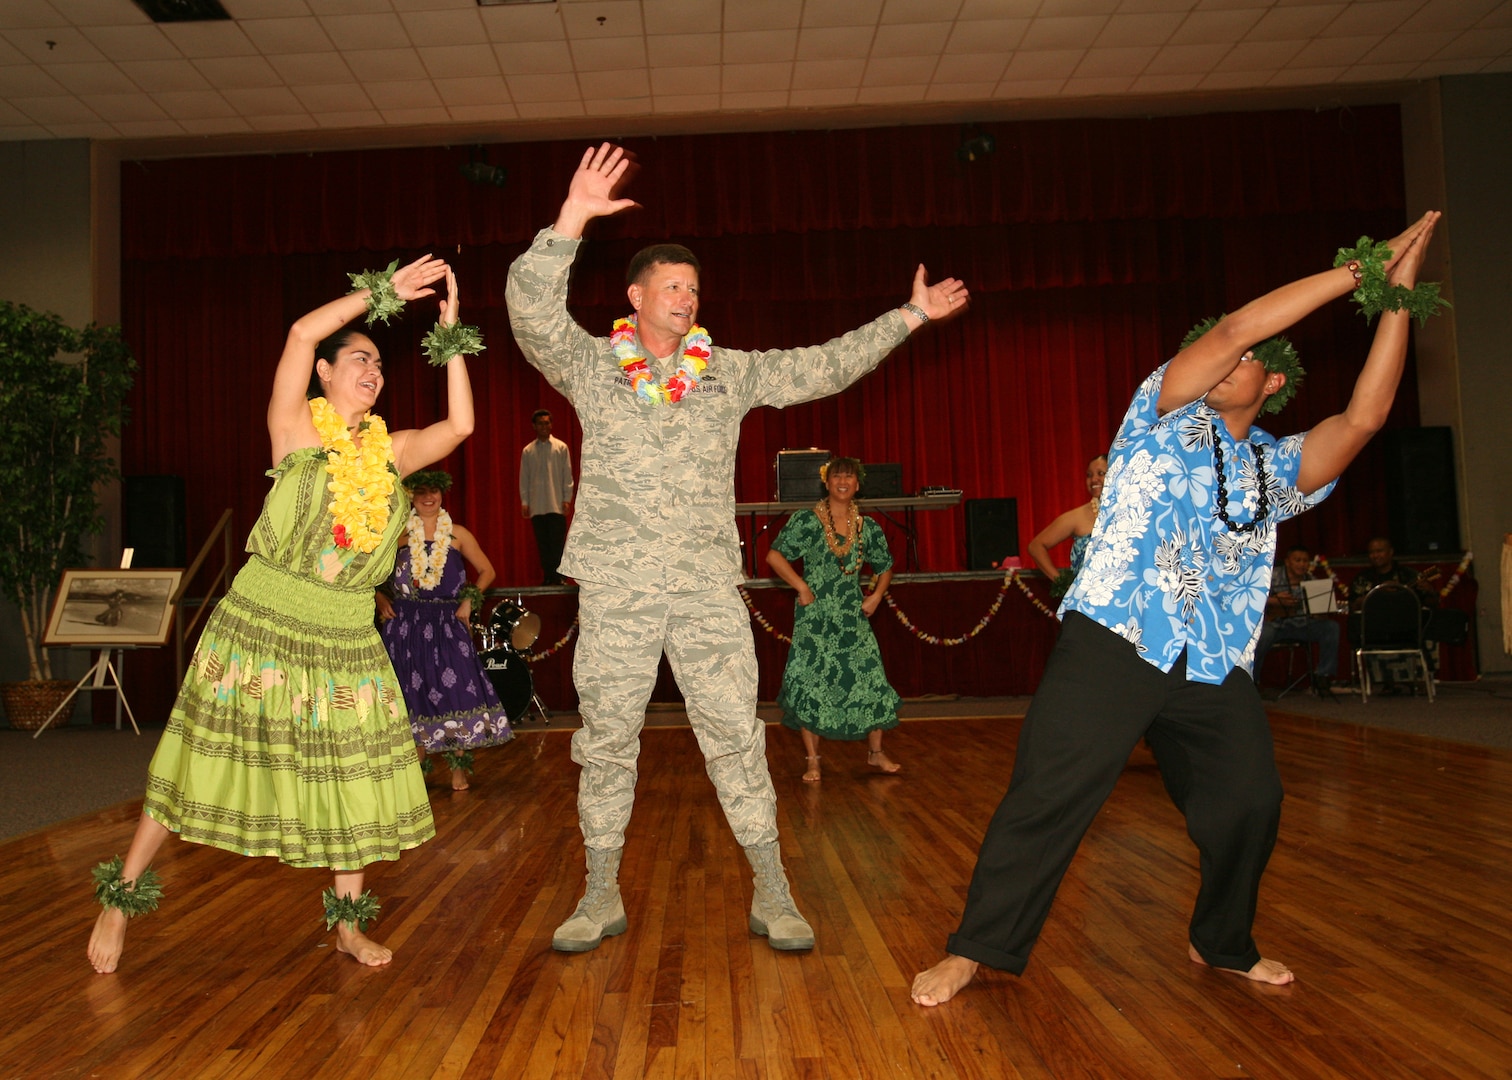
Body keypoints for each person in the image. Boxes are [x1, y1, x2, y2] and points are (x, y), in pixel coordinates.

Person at [911, 210, 1442, 1006]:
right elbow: (1234, 326)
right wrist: (1360, 270)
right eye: (1229, 354)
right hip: (1115, 638)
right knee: (1048, 796)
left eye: (1254, 362)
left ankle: (1222, 941)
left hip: (1211, 659)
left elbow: (1365, 418)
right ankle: (976, 948)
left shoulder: (1277, 468)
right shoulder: (1157, 417)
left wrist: (1399, 294)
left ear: (1274, 386)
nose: (1235, 358)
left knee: (1252, 802)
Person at [506, 143, 968, 954]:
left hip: (705, 590)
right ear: (636, 296)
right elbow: (530, 316)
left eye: (695, 287)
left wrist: (910, 316)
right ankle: (600, 891)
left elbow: (824, 367)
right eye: (673, 286)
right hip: (615, 588)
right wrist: (570, 220)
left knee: (735, 736)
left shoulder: (730, 371)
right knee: (607, 741)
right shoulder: (589, 365)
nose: (687, 296)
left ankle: (773, 890)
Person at [87, 255, 482, 974]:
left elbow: (459, 423)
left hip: (344, 636)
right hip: (261, 621)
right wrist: (379, 296)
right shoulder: (294, 430)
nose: (374, 371)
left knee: (353, 779)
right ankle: (121, 896)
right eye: (359, 358)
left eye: (381, 367)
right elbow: (302, 331)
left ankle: (347, 925)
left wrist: (451, 337)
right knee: (198, 756)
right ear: (326, 374)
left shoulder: (390, 455)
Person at [765, 456, 901, 783]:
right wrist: (800, 586)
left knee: (870, 680)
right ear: (827, 483)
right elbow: (774, 555)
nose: (843, 482)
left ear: (857, 484)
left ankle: (876, 753)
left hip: (852, 616)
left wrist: (876, 595)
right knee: (813, 685)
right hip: (815, 618)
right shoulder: (808, 522)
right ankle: (813, 760)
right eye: (837, 477)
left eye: (849, 478)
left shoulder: (867, 527)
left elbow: (885, 566)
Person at [378, 469, 512, 792]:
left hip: (447, 621)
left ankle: (458, 769)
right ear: (410, 495)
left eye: (433, 492)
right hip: (405, 623)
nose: (428, 498)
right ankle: (416, 773)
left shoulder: (458, 534)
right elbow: (370, 575)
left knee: (455, 691)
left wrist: (468, 602)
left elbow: (487, 571)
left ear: (442, 494)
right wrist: (380, 597)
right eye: (421, 492)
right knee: (411, 694)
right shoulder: (397, 535)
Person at [1253, 545, 1341, 698]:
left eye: (1305, 561)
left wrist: (1320, 612)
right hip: (1276, 624)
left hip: (1302, 625)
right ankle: (1252, 681)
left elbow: (1319, 612)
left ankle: (1323, 677)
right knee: (1263, 634)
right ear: (1287, 562)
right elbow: (1253, 596)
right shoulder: (1271, 576)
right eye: (1297, 560)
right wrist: (1274, 601)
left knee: (1331, 628)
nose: (1302, 564)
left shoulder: (1312, 581)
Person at [1025, 454, 1107, 599]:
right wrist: (1063, 584)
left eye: (1101, 474)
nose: (1094, 479)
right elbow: (1036, 546)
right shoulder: (1078, 516)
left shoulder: (1132, 513)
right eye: (1089, 475)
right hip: (1085, 602)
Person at [520, 408, 573, 585]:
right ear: (534, 426)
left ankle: (559, 577)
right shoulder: (528, 451)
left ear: (551, 425)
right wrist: (525, 501)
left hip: (556, 503)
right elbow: (524, 478)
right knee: (543, 544)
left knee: (557, 543)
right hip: (537, 505)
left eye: (547, 423)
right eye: (541, 423)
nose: (544, 426)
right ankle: (548, 577)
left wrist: (567, 498)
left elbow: (567, 475)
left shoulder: (561, 447)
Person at [1348, 536, 1438, 605]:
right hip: (1373, 622)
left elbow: (1430, 603)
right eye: (1371, 552)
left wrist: (1431, 592)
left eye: (1379, 551)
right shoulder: (1362, 578)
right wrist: (1378, 594)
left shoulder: (1408, 574)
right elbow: (1353, 605)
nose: (1375, 556)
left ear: (1391, 552)